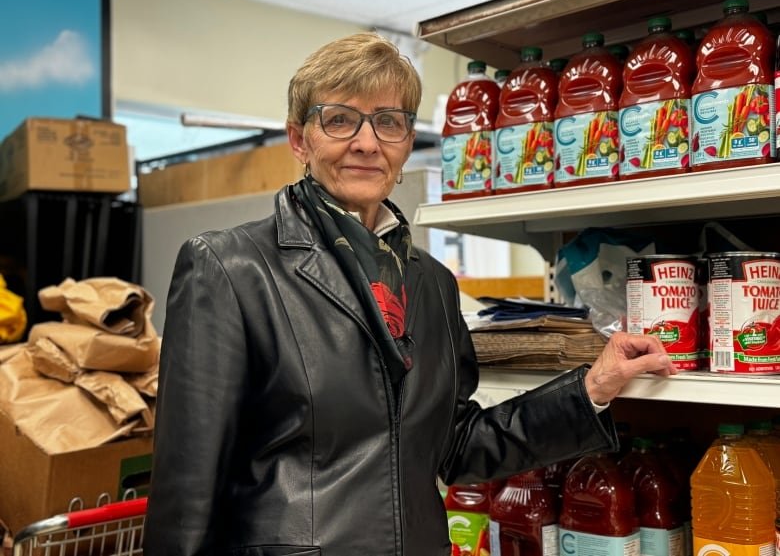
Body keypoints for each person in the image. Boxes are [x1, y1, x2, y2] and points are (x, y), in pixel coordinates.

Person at [143, 32, 677, 556]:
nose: (367, 142)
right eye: (340, 119)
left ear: (404, 144)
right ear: (300, 140)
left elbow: (458, 445)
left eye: (389, 122)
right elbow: (187, 483)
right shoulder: (231, 267)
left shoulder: (430, 282)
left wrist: (591, 388)